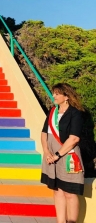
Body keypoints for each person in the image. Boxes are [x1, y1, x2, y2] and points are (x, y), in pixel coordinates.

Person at [41, 83, 85, 223]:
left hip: (68, 155)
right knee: (57, 190)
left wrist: (57, 155)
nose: (53, 96)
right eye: (54, 93)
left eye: (57, 94)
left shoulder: (75, 113)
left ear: (66, 97)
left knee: (70, 193)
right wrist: (47, 151)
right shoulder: (52, 111)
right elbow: (44, 133)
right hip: (51, 155)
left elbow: (74, 138)